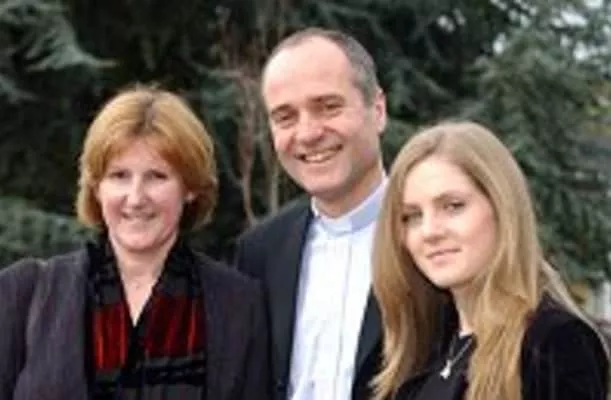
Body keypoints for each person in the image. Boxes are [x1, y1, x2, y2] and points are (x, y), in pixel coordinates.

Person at [0, 85, 269, 400]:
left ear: (190, 188)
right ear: (96, 187)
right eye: (119, 176)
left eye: (156, 176)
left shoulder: (239, 306)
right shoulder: (23, 294)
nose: (136, 197)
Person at [371, 120, 610, 400]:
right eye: (412, 216)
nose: (430, 231)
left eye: (453, 206)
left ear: (502, 207)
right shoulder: (423, 347)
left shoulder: (552, 343)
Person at [234, 27, 387, 400]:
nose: (307, 133)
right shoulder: (259, 253)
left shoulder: (436, 239)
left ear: (378, 110)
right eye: (285, 117)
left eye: (328, 106)